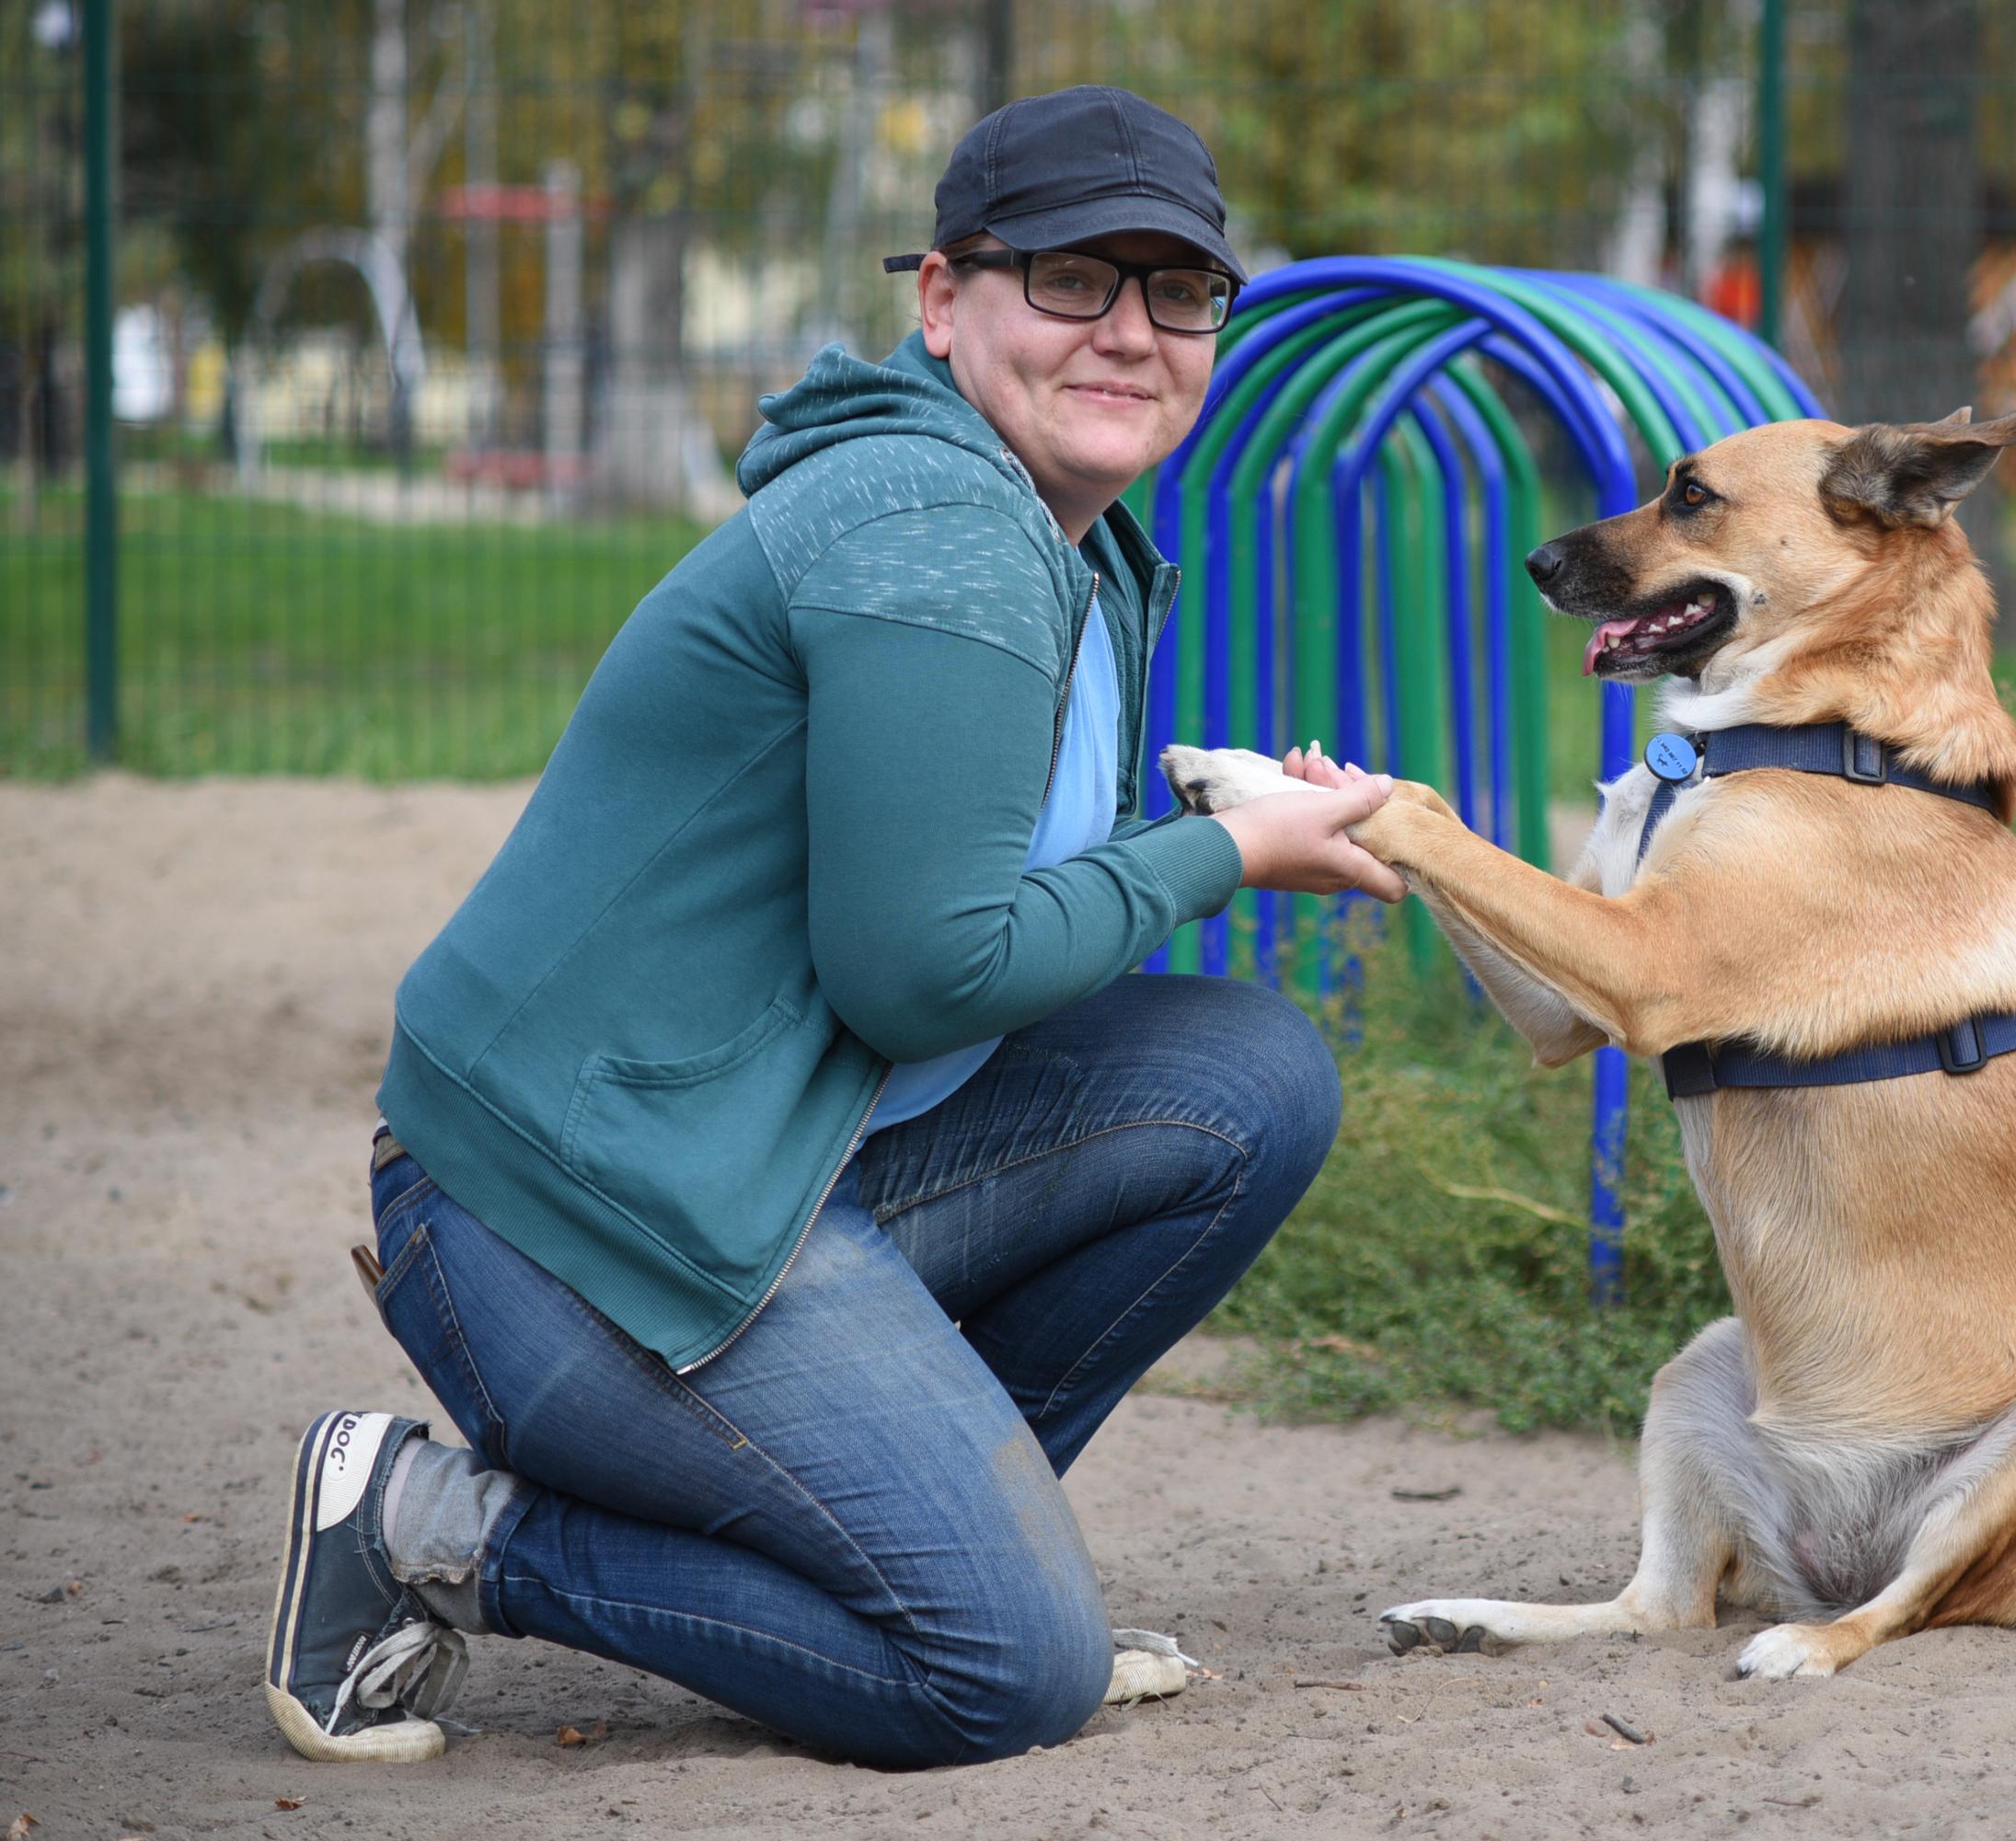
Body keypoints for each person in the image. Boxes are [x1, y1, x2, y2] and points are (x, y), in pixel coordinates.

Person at [261, 86, 1403, 1771]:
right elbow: (923, 970)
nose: (1133, 332)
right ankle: (431, 1527)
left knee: (1245, 1076)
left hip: (756, 1161)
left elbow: (961, 903)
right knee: (1005, 1677)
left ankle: (920, 1548)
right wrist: (1217, 857)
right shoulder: (938, 530)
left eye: (1181, 292)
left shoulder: (1064, 541)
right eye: (1076, 279)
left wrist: (1203, 823)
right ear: (944, 301)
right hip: (559, 1229)